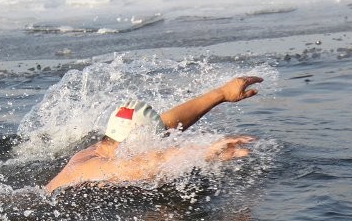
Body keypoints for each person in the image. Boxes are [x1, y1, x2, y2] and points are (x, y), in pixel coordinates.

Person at [44, 76, 263, 193]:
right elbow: (148, 164)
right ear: (134, 140)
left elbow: (167, 124)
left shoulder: (106, 146)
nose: (160, 142)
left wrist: (221, 94)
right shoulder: (92, 167)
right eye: (156, 140)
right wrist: (205, 152)